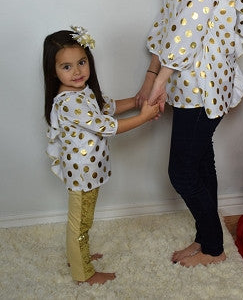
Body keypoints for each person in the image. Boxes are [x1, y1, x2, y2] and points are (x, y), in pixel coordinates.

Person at [136, 0, 243, 267]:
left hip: (202, 82)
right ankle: (208, 240)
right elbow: (167, 22)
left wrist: (160, 81)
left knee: (182, 172)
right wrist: (153, 75)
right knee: (200, 163)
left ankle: (214, 246)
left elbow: (189, 27)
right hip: (184, 81)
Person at [43, 26, 159, 285]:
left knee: (83, 220)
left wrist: (138, 100)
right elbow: (107, 126)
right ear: (53, 71)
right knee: (80, 222)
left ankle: (78, 256)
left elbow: (108, 107)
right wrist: (144, 117)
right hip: (82, 173)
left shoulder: (82, 92)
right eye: (67, 67)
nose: (77, 72)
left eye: (81, 63)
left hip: (89, 170)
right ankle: (83, 273)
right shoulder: (68, 101)